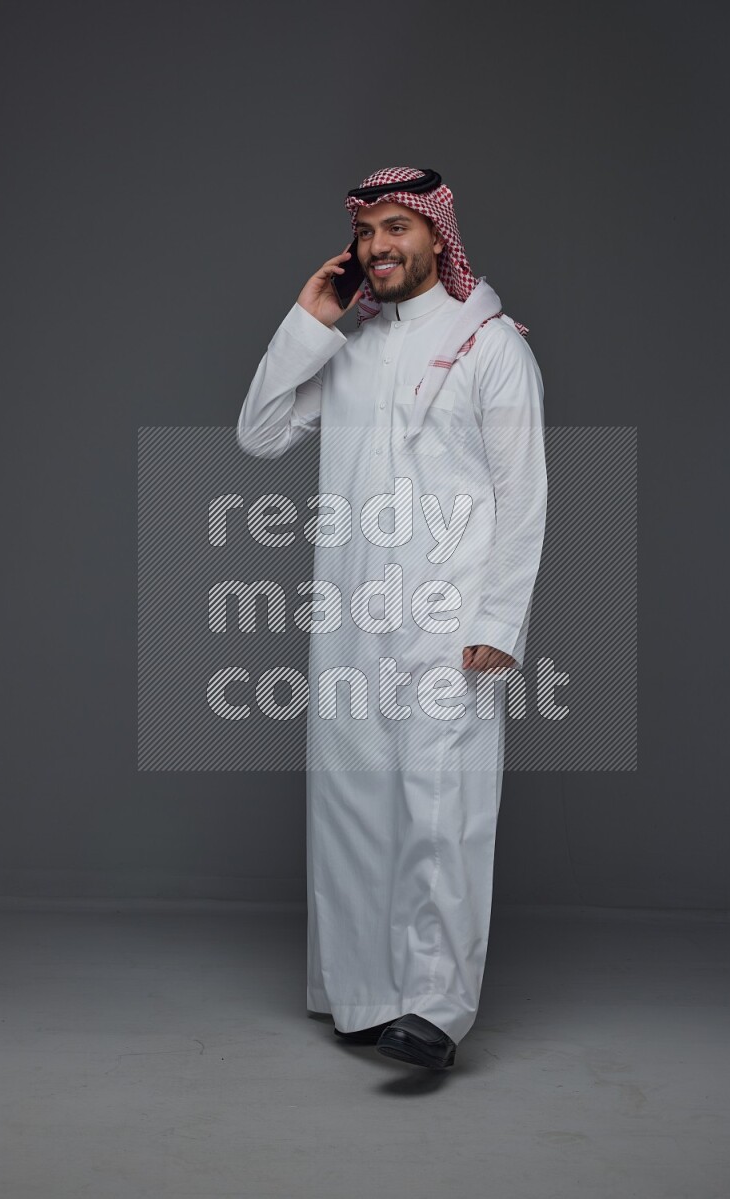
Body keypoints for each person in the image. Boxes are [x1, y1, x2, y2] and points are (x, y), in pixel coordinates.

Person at [236, 166, 547, 1071]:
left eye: (398, 228)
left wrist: (503, 620)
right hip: (352, 616)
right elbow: (258, 433)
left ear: (438, 238)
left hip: (451, 624)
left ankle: (437, 1008)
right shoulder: (352, 345)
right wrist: (310, 320)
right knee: (353, 803)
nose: (379, 246)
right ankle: (365, 996)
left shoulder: (489, 344)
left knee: (440, 810)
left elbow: (523, 494)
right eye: (368, 229)